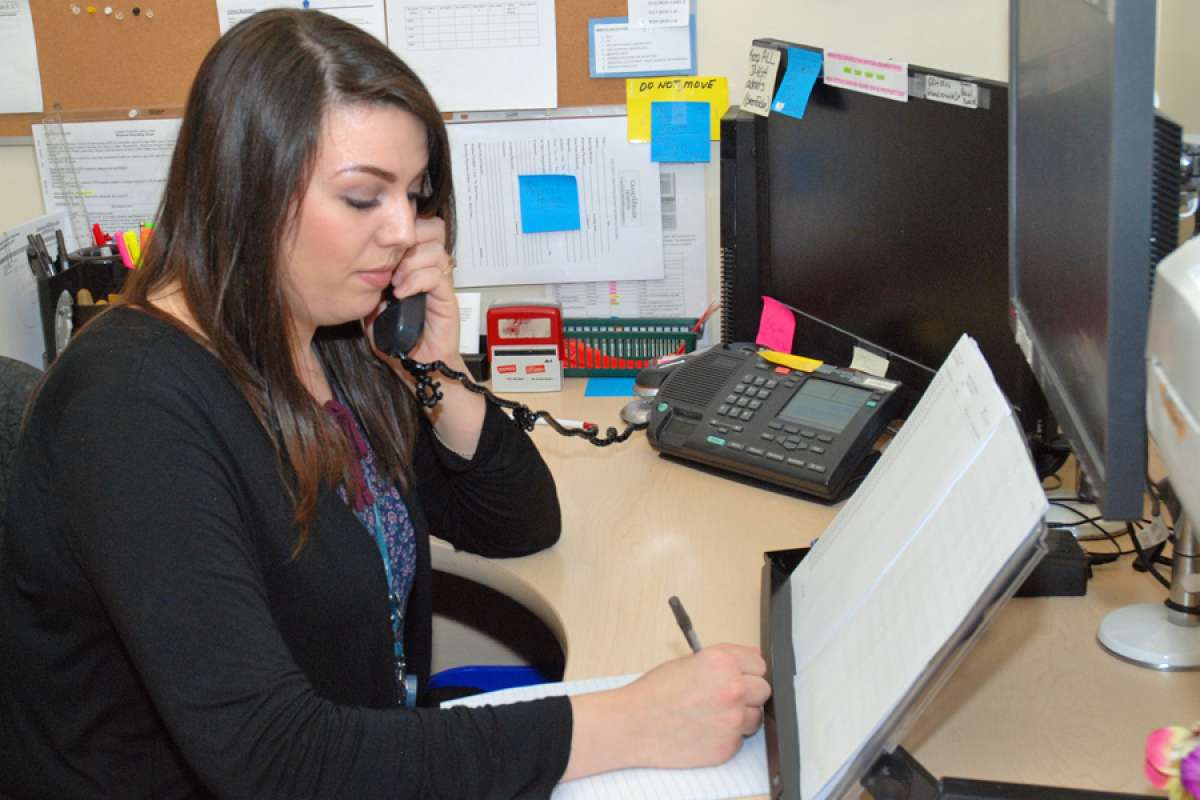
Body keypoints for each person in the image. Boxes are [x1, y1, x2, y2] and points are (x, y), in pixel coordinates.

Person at [0, 9, 770, 798]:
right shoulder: (132, 410)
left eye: (415, 193)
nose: (406, 231)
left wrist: (437, 370)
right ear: (245, 191)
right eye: (364, 198)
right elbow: (278, 761)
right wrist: (629, 721)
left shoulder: (328, 340)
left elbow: (519, 522)